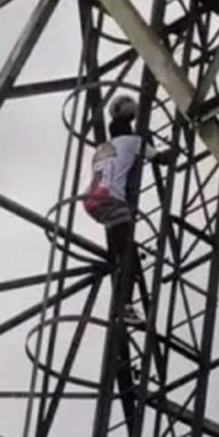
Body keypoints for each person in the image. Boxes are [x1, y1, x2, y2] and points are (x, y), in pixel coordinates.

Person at [83, 96, 170, 326]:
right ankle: (126, 307)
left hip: (92, 201)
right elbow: (161, 159)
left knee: (119, 253)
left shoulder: (102, 149)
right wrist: (178, 148)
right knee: (129, 254)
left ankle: (118, 289)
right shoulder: (133, 142)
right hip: (113, 200)